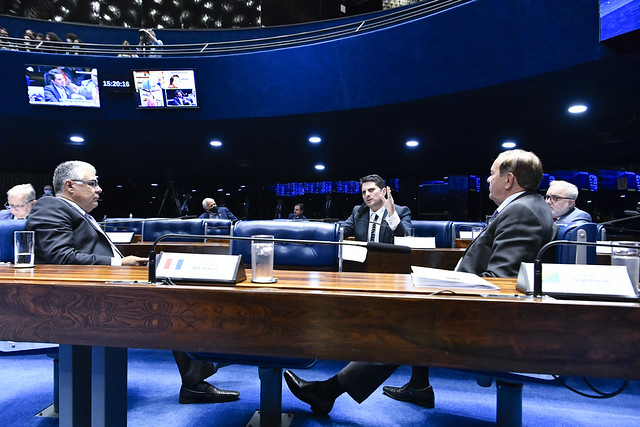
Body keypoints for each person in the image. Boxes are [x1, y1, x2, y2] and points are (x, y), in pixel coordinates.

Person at [284, 150, 556, 416]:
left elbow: (501, 283)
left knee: (407, 322)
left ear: (508, 180)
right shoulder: (527, 208)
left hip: (493, 321)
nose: (487, 179)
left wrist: (448, 285)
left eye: (492, 173)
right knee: (415, 306)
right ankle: (418, 386)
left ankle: (327, 392)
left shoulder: (522, 212)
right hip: (486, 306)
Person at [26, 161, 239, 404]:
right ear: (70, 186)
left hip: (105, 284)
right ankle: (203, 372)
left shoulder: (74, 211)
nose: (99, 189)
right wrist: (118, 263)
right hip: (87, 297)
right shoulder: (50, 207)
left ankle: (204, 365)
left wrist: (126, 263)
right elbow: (59, 257)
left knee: (181, 286)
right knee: (178, 302)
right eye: (92, 183)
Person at [341, 174, 412, 243]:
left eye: (371, 190)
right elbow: (340, 232)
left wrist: (392, 214)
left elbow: (406, 238)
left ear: (383, 191)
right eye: (364, 192)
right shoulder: (358, 212)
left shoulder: (401, 212)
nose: (367, 194)